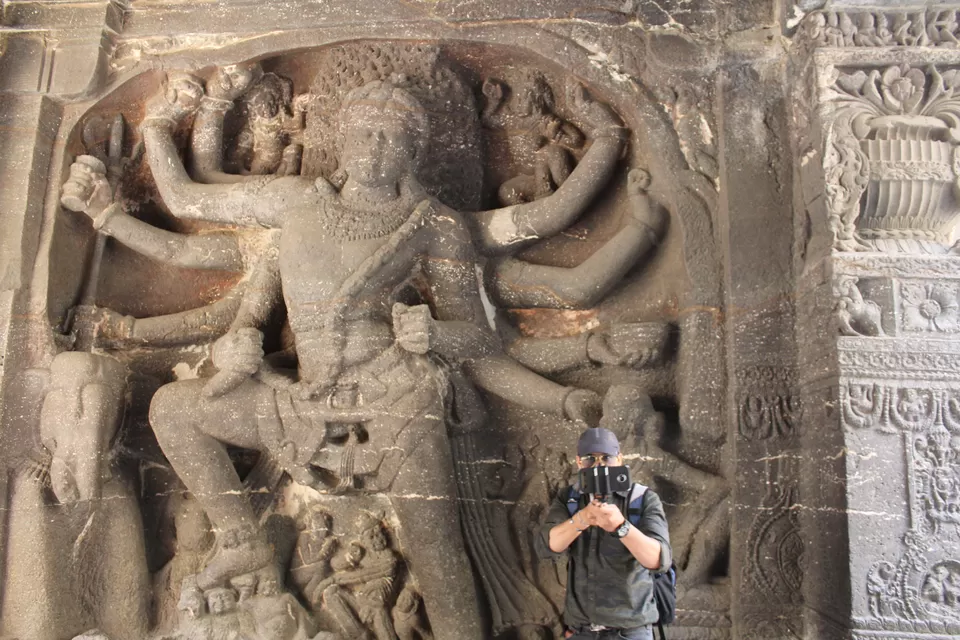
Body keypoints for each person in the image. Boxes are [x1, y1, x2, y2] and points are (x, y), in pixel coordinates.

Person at [536, 427, 672, 639]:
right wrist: (582, 518)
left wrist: (621, 526)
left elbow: (659, 560)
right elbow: (548, 545)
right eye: (590, 458)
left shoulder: (642, 499)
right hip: (582, 630)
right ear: (579, 462)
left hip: (630, 630)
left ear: (619, 459)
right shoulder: (570, 499)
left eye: (606, 457)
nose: (599, 465)